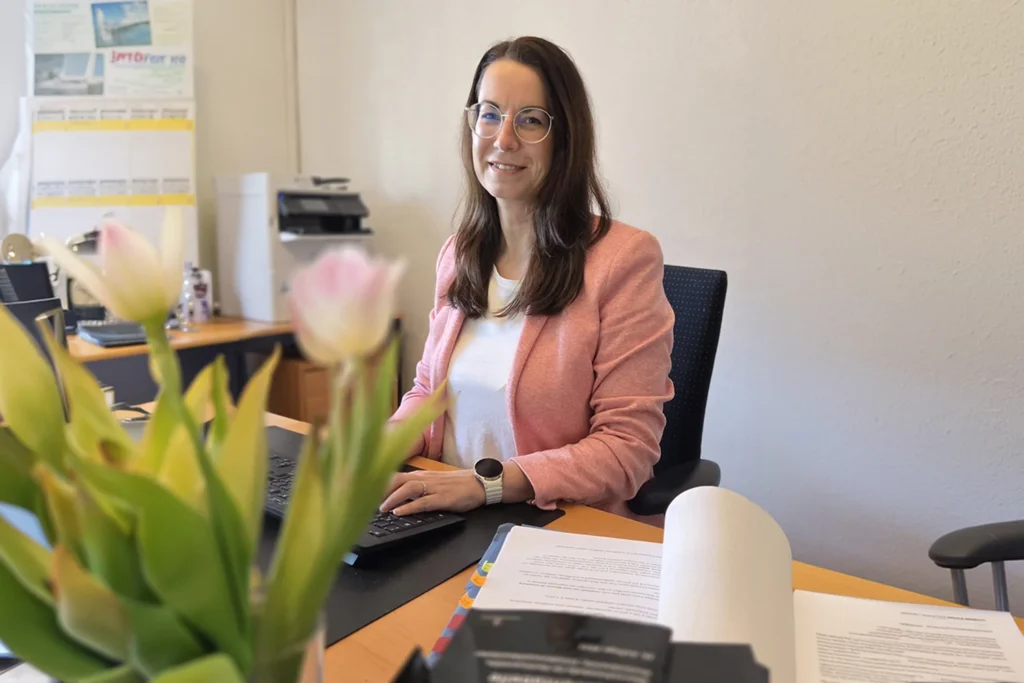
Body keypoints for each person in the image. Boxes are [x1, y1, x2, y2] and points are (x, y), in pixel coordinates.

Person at [382, 36, 674, 521]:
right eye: (490, 113)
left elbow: (628, 449)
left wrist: (483, 486)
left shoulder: (624, 259)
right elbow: (427, 391)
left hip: (552, 523)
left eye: (531, 120)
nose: (504, 139)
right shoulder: (459, 253)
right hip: (444, 512)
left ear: (566, 138)